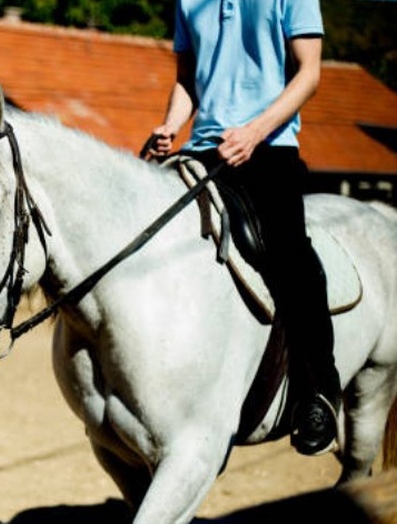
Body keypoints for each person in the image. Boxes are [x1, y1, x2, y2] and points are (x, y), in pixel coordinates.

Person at [148, 0, 340, 456]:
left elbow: (309, 73)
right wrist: (171, 126)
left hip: (268, 146)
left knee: (291, 257)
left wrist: (255, 131)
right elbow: (187, 77)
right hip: (201, 149)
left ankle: (320, 391)